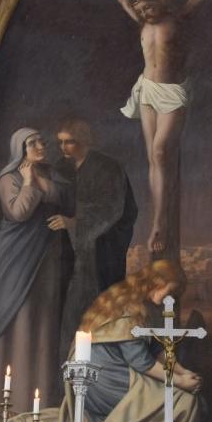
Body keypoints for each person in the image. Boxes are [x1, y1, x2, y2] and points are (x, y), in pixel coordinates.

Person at [17, 261, 212, 422]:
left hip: (122, 372)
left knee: (191, 402)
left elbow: (156, 349)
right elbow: (142, 362)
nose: (169, 299)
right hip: (101, 380)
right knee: (185, 403)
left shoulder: (145, 305)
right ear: (156, 284)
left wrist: (183, 372)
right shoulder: (128, 309)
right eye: (168, 292)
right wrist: (179, 382)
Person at [105, 0, 212, 254]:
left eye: (149, 8)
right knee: (152, 156)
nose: (146, 13)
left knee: (161, 152)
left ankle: (161, 220)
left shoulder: (178, 18)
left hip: (172, 92)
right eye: (142, 10)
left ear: (159, 3)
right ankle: (157, 219)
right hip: (147, 89)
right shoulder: (142, 23)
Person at [0, 128, 73, 412]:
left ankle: (35, 398)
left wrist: (38, 181)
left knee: (41, 324)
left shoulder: (49, 175)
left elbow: (64, 198)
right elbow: (17, 213)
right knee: (17, 321)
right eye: (33, 143)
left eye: (41, 140)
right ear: (20, 149)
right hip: (14, 264)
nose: (41, 146)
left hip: (44, 262)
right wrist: (29, 183)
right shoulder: (9, 178)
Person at [50, 118, 139, 363]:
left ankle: (101, 375)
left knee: (94, 312)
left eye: (70, 142)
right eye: (61, 142)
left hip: (99, 255)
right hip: (70, 252)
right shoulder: (62, 167)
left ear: (84, 141)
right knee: (68, 315)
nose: (64, 148)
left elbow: (112, 209)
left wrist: (73, 222)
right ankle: (66, 376)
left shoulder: (108, 168)